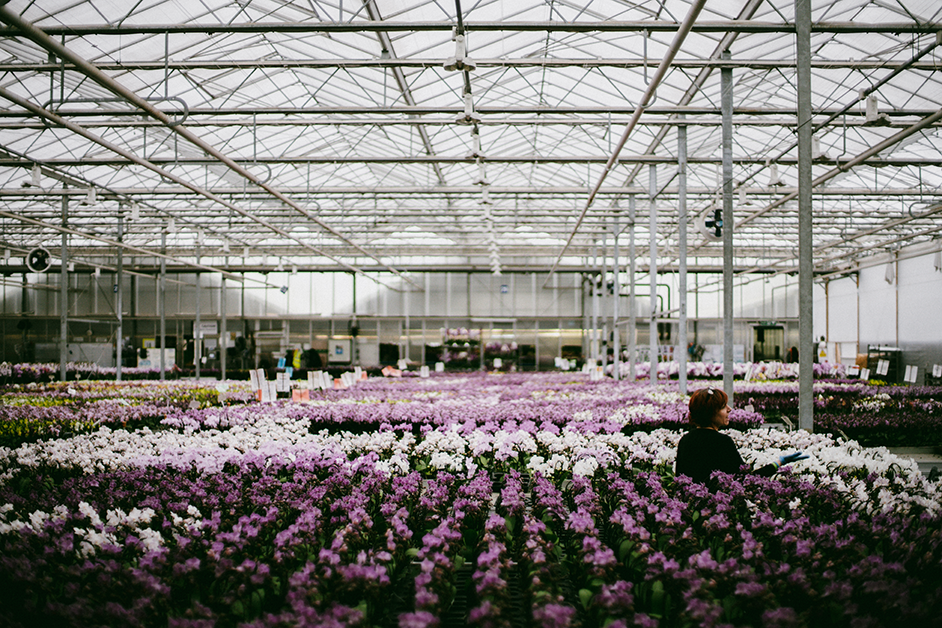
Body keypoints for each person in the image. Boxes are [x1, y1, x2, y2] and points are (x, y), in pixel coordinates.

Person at [675, 387, 808, 484]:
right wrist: (777, 464)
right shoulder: (722, 442)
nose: (729, 409)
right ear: (710, 412)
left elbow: (680, 482)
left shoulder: (685, 440)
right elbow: (745, 480)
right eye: (723, 406)